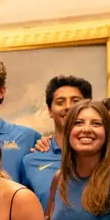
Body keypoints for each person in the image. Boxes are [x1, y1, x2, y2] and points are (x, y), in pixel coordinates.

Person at [19, 75, 91, 205]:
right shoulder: (31, 161)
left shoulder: (102, 157)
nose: (68, 107)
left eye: (75, 101)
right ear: (50, 111)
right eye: (60, 102)